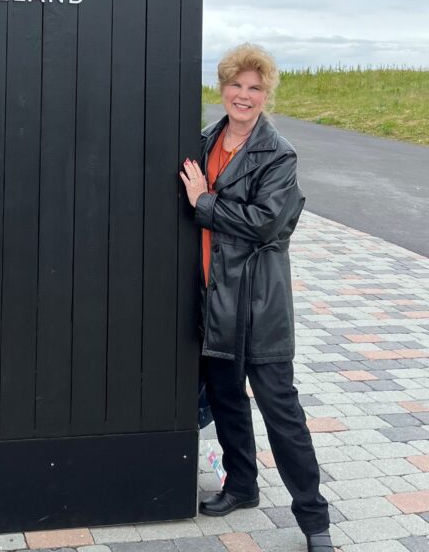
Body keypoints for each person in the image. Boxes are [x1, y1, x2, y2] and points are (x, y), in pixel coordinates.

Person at [180, 44, 333, 552]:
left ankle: (314, 520)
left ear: (266, 95)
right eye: (236, 85)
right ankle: (241, 486)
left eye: (254, 88)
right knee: (226, 402)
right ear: (222, 88)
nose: (243, 96)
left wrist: (205, 201)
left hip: (259, 305)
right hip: (214, 298)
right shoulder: (205, 140)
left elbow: (265, 223)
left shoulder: (277, 153)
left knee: (281, 412)